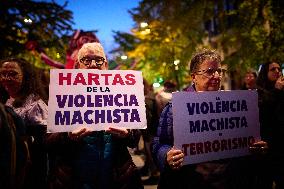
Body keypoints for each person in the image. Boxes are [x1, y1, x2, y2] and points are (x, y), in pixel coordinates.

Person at [152, 49, 267, 189]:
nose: (217, 76)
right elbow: (159, 143)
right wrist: (167, 156)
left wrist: (257, 148)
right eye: (210, 71)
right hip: (191, 181)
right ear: (193, 77)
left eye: (219, 71)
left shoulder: (235, 105)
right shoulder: (175, 108)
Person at [45, 42, 143, 189]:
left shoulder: (122, 92)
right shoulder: (60, 93)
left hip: (117, 177)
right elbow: (48, 143)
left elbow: (135, 138)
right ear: (77, 65)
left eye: (98, 60)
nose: (93, 64)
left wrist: (128, 133)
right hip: (73, 178)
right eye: (87, 60)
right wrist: (66, 136)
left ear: (106, 64)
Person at [0, 58, 48, 189]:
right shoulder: (8, 100)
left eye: (13, 74)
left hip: (30, 172)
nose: (6, 78)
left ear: (25, 77)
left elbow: (43, 141)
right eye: (3, 74)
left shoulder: (35, 104)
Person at [256, 61, 284, 189]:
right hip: (266, 147)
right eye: (273, 69)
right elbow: (264, 112)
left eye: (279, 69)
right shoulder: (259, 93)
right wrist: (276, 91)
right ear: (265, 73)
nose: (277, 71)